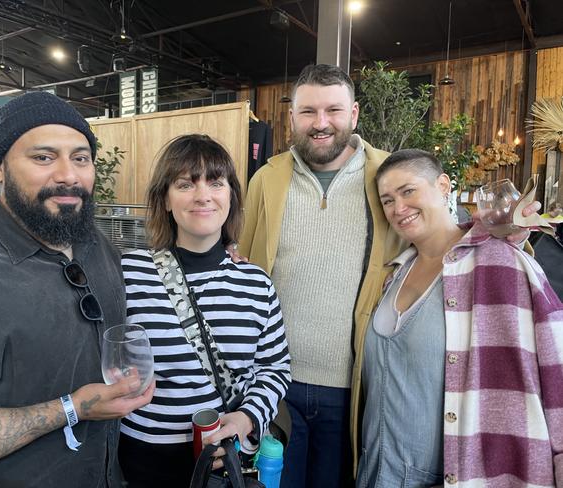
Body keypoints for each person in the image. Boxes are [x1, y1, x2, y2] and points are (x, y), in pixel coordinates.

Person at [0, 91, 154, 487]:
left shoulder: (97, 247)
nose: (68, 175)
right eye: (43, 157)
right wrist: (72, 408)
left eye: (81, 158)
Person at [356, 149, 563, 487]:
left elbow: (555, 366)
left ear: (442, 186)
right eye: (387, 200)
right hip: (378, 472)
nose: (398, 208)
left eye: (408, 191)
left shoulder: (499, 261)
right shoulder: (392, 275)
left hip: (461, 475)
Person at [240, 63, 400, 487]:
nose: (321, 123)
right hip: (275, 385)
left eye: (333, 110)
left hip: (351, 386)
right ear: (291, 117)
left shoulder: (387, 177)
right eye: (308, 111)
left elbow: (434, 245)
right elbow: (248, 268)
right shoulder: (266, 180)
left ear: (355, 114)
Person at [118, 134, 291, 487]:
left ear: (231, 197)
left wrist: (246, 418)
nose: (202, 195)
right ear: (165, 199)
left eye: (216, 182)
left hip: (222, 462)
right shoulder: (129, 273)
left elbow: (275, 368)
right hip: (141, 459)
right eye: (185, 184)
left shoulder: (256, 283)